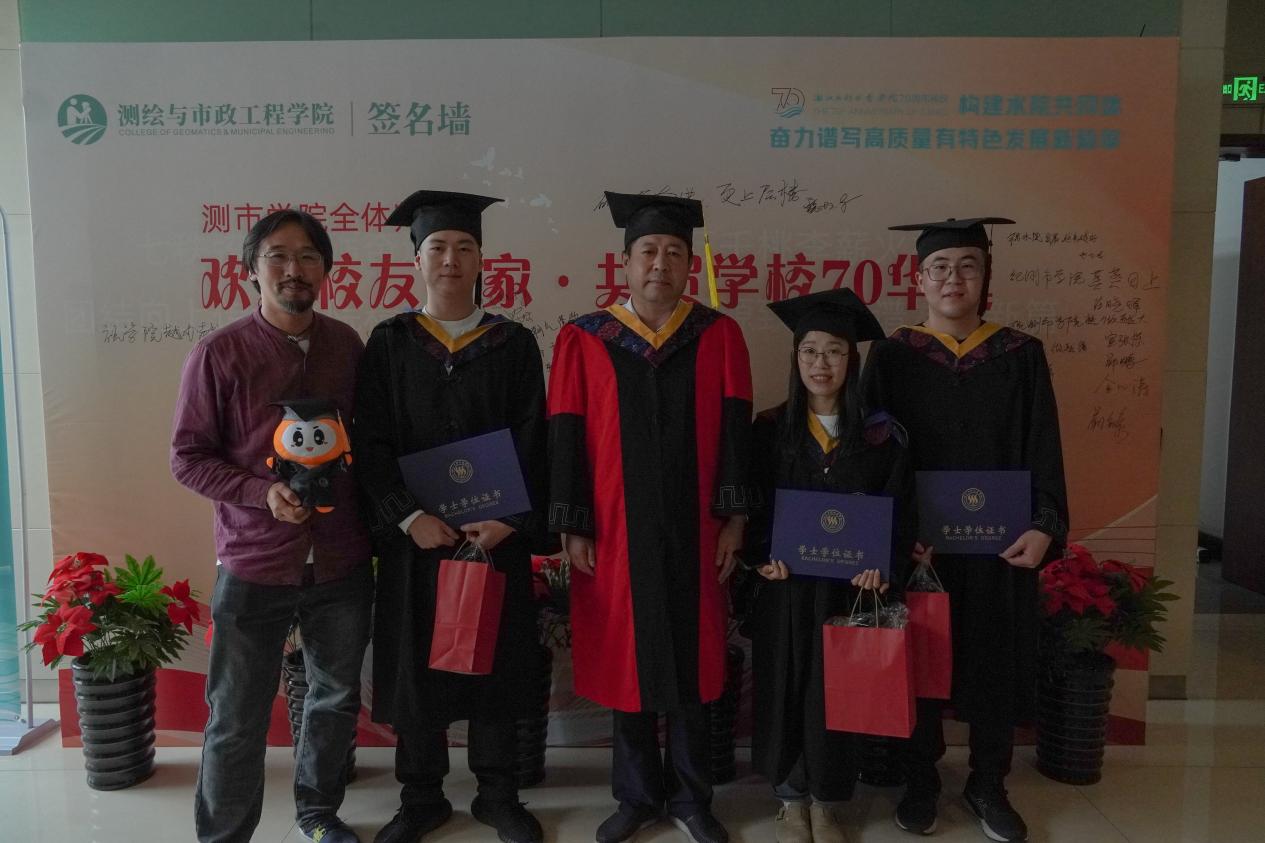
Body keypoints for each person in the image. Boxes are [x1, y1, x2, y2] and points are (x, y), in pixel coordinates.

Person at [547, 192, 754, 843]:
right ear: (625, 261)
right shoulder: (585, 338)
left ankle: (691, 798)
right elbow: (565, 432)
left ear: (689, 264)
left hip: (697, 528)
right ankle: (636, 796)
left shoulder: (719, 335)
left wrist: (734, 519)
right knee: (625, 655)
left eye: (673, 252)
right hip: (614, 528)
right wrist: (573, 522)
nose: (659, 263)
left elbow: (736, 432)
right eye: (647, 251)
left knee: (693, 657)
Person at [862, 217, 1069, 843]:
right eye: (940, 267)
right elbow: (871, 451)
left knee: (994, 658)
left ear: (986, 278)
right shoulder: (893, 355)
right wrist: (888, 534)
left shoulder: (1020, 355)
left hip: (999, 545)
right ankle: (919, 779)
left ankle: (988, 783)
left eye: (968, 266)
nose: (953, 279)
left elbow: (1043, 443)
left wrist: (1045, 524)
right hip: (920, 546)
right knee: (921, 657)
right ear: (919, 279)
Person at [353, 190, 550, 843]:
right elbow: (370, 442)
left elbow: (534, 437)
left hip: (494, 536)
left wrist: (511, 519)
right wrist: (407, 517)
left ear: (482, 260)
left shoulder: (512, 343)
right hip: (417, 540)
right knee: (416, 666)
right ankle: (420, 796)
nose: (451, 259)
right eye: (437, 247)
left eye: (465, 247)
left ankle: (498, 793)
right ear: (415, 260)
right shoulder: (389, 343)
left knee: (495, 656)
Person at [171, 209, 373, 843]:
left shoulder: (347, 346)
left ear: (326, 270)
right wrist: (262, 494)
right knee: (236, 714)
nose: (294, 269)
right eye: (277, 256)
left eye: (308, 256)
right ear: (251, 271)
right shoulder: (218, 353)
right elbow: (187, 458)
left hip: (340, 558)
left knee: (334, 700)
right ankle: (226, 834)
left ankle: (318, 815)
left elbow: (368, 443)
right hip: (254, 560)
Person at [745, 289, 929, 843]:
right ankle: (789, 799)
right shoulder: (769, 428)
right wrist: (761, 557)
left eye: (834, 351)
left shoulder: (882, 435)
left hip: (849, 592)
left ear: (852, 360)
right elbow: (752, 506)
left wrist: (883, 567)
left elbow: (900, 512)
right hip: (787, 588)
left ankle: (826, 802)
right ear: (795, 357)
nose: (820, 363)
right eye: (809, 351)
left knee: (835, 695)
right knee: (785, 689)